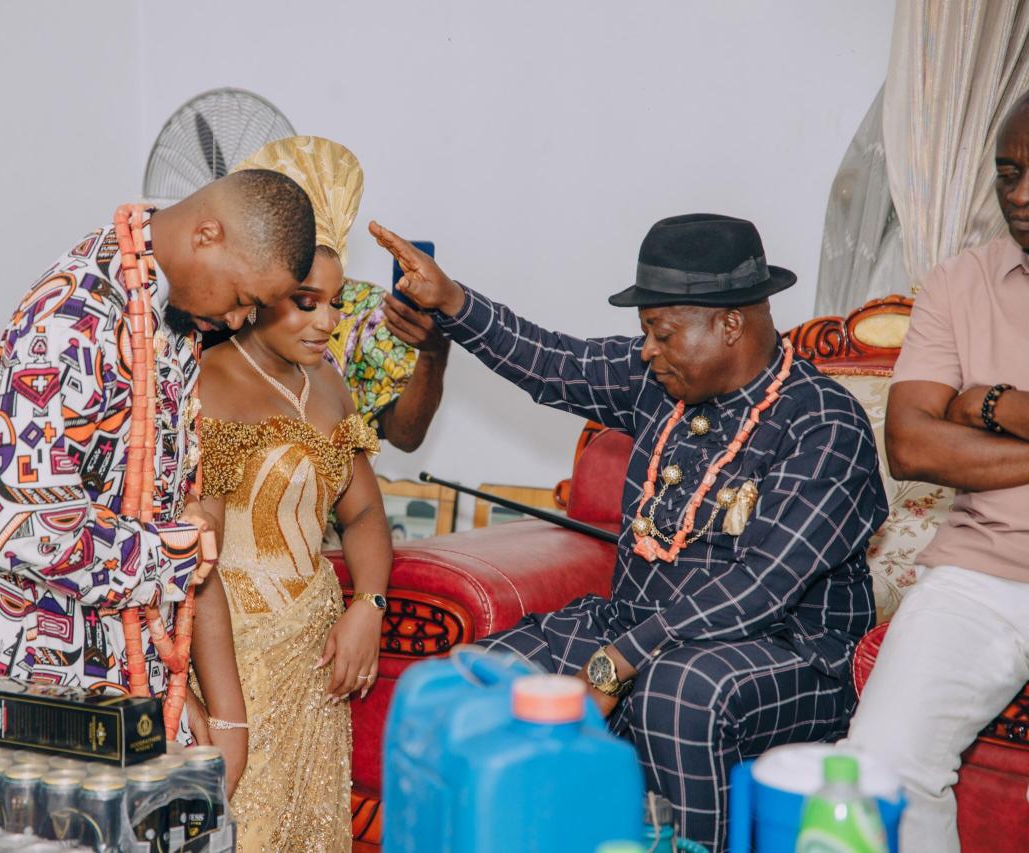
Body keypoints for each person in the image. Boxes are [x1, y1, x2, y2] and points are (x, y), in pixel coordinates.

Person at [0, 169, 317, 851]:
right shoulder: (70, 316)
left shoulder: (172, 310)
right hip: (24, 652)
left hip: (116, 641)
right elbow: (21, 527)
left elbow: (149, 485)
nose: (242, 320)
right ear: (206, 234)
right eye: (245, 300)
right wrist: (178, 550)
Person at [370, 213, 888, 852]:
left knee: (679, 690)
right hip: (636, 626)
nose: (646, 350)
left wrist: (621, 659)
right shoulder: (659, 382)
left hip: (785, 649)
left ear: (730, 325)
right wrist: (452, 301)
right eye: (645, 333)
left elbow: (762, 585)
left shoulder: (824, 425)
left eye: (661, 334)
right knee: (479, 684)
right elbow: (552, 361)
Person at [844, 93, 1029, 853]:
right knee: (877, 769)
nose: (1020, 195)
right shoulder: (959, 283)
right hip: (984, 574)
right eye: (1008, 174)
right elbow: (911, 446)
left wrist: (989, 405)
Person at [197, 137, 391, 851]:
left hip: (319, 664)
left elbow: (363, 513)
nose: (327, 322)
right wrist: (223, 710)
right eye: (307, 303)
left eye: (336, 304)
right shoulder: (209, 382)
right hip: (236, 663)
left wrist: (369, 606)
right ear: (259, 289)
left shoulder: (330, 384)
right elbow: (198, 562)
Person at [328, 277, 450, 451]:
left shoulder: (366, 305)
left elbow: (405, 435)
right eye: (306, 304)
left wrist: (433, 354)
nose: (322, 321)